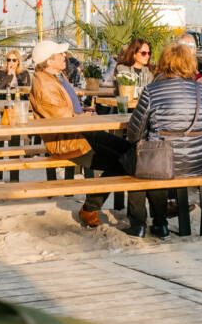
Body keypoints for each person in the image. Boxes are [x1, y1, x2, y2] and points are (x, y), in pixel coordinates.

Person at [29, 40, 130, 229]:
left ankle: (153, 206)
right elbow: (62, 120)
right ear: (49, 61)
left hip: (82, 131)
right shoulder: (44, 84)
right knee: (122, 160)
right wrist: (81, 116)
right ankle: (90, 208)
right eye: (60, 54)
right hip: (68, 141)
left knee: (130, 150)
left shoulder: (56, 76)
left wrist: (82, 111)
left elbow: (66, 108)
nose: (64, 56)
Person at [125, 43, 202, 238]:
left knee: (139, 161)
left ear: (164, 62)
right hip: (197, 163)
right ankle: (160, 224)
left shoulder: (152, 90)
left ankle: (139, 224)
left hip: (164, 164)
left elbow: (135, 132)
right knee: (157, 162)